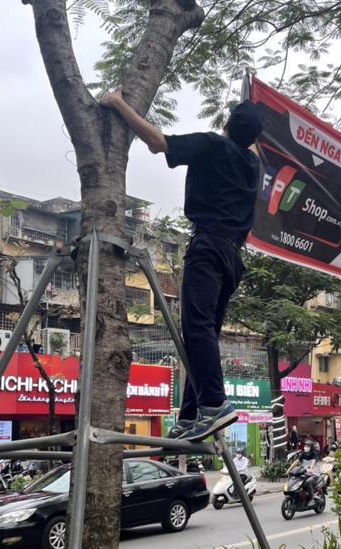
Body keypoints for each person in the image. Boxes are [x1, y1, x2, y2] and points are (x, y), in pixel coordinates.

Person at [101, 87, 263, 442]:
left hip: (207, 246)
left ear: (226, 125)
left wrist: (118, 103)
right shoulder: (255, 168)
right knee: (201, 332)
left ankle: (214, 404)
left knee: (197, 327)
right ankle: (191, 415)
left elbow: (158, 142)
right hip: (233, 257)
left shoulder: (213, 145)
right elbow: (250, 142)